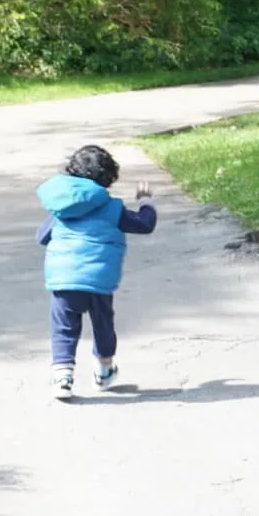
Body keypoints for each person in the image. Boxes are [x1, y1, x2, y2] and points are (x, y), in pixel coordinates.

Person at [36, 145, 157, 399]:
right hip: (98, 278)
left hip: (63, 278)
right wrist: (145, 201)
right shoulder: (113, 208)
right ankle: (104, 372)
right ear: (108, 178)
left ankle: (63, 378)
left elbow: (42, 236)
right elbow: (145, 225)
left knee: (64, 327)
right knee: (103, 324)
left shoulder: (62, 209)